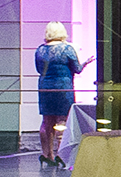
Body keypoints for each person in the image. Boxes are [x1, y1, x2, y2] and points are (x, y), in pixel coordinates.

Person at [33, 22, 86, 169]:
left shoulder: (40, 50)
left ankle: (46, 155)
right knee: (62, 120)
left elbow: (39, 69)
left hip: (45, 87)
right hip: (63, 87)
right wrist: (86, 63)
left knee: (46, 121)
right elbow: (77, 69)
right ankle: (61, 155)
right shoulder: (67, 49)